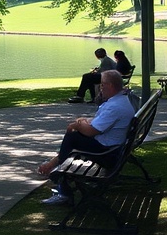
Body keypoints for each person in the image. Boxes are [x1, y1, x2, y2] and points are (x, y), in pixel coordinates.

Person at [38, 70, 136, 205]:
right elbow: (98, 123)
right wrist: (82, 122)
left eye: (102, 85)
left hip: (107, 153)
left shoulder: (114, 106)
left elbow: (91, 132)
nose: (100, 88)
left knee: (72, 137)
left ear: (111, 86)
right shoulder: (120, 100)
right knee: (73, 138)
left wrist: (77, 125)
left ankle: (62, 186)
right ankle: (55, 166)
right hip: (114, 148)